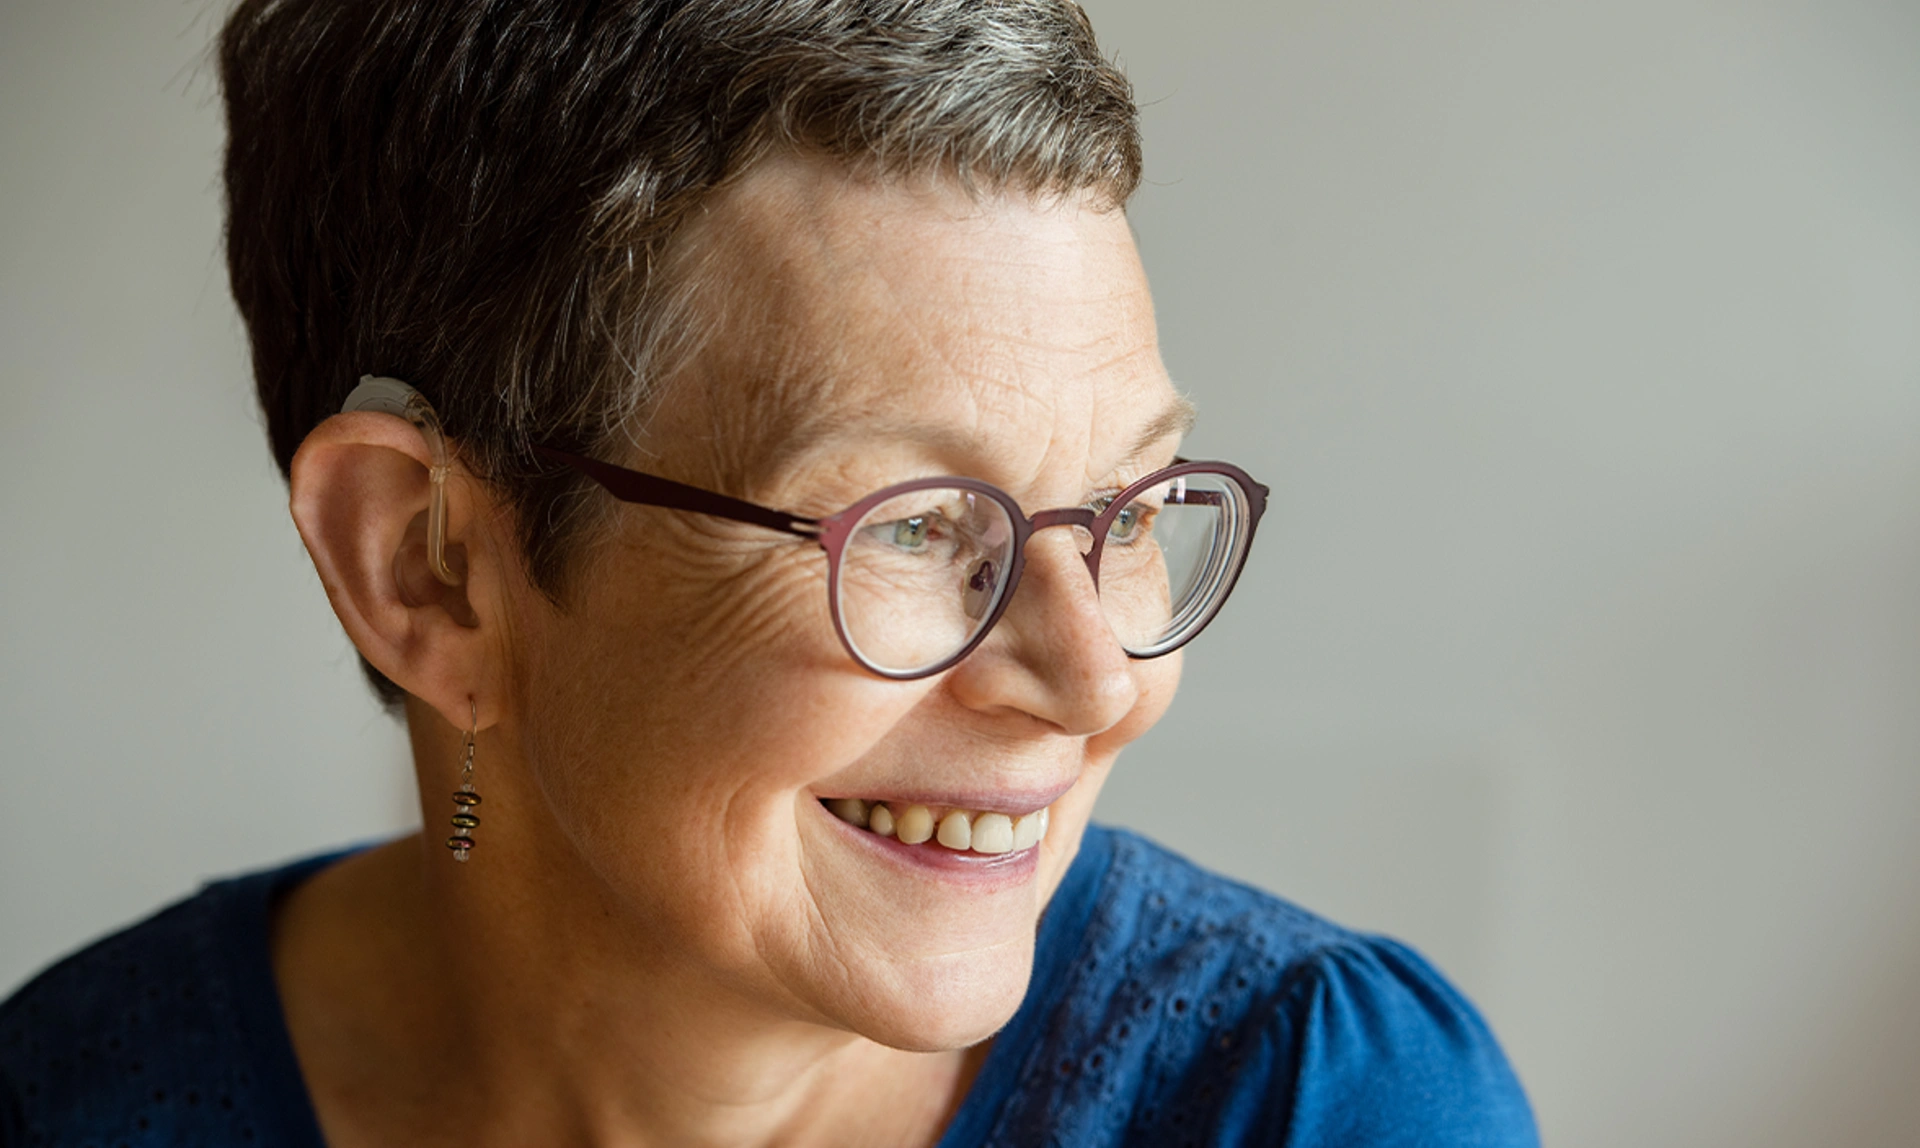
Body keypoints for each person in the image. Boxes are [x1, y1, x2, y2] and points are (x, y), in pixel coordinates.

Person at [0, 1, 1538, 1144]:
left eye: (1128, 510)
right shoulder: (71, 1105)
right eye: (921, 528)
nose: (1103, 682)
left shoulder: (1315, 1100)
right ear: (428, 568)